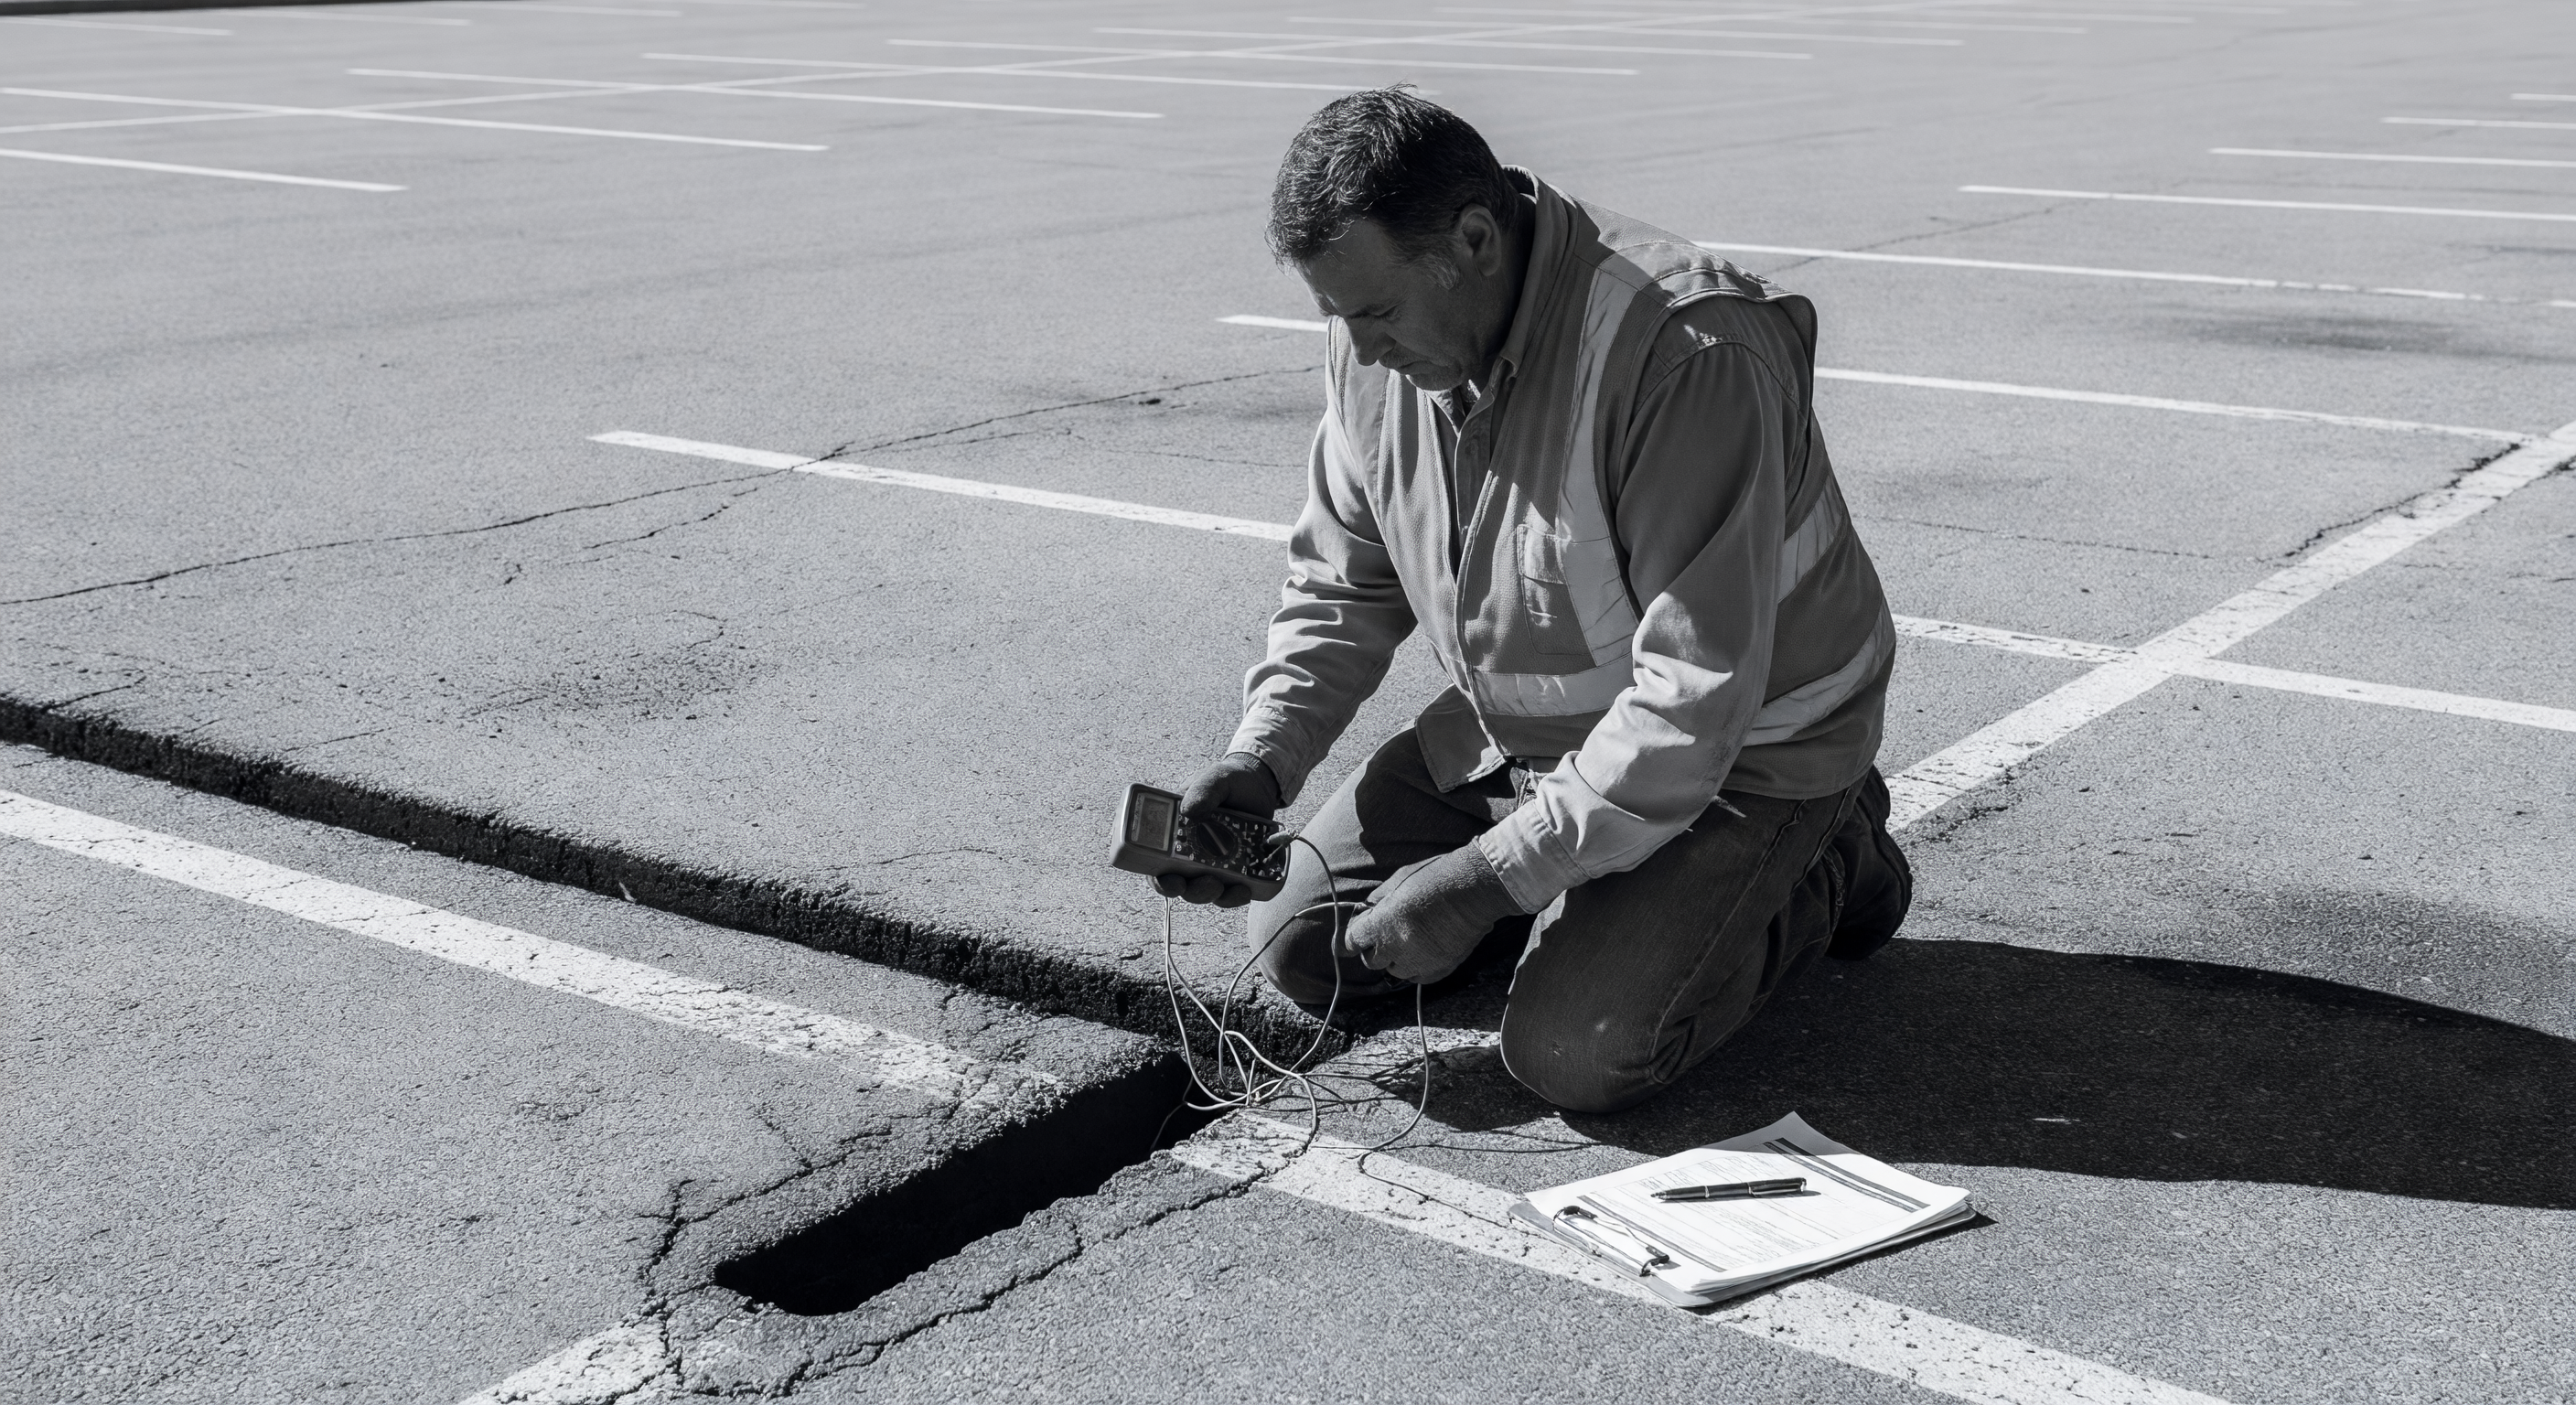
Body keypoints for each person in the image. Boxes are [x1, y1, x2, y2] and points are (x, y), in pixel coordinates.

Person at [1159, 88, 1912, 1115]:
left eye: (1374, 314)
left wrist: (1484, 881)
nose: (1360, 349)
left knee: (1579, 1051)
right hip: (1525, 738)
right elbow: (1344, 578)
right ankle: (1594, 880)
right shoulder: (1375, 342)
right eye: (1336, 317)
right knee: (1305, 949)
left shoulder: (1684, 351)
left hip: (1749, 752)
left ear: (1473, 238)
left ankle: (1833, 856)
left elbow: (1693, 696)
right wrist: (1263, 755)